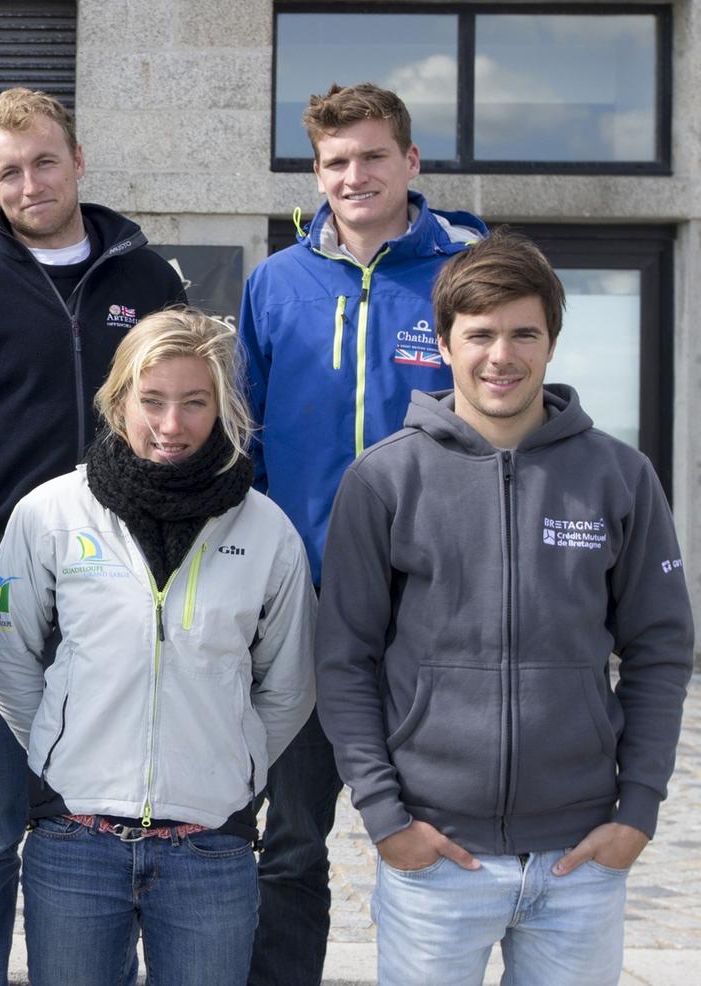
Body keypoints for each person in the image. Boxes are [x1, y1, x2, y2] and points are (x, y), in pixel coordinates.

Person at [315, 230, 693, 986]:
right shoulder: (383, 480)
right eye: (480, 334)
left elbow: (660, 647)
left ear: (552, 343)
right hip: (436, 856)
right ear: (445, 345)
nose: (501, 355)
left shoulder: (620, 475)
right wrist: (388, 820)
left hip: (580, 858)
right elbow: (344, 659)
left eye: (524, 333)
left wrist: (638, 810)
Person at [0, 86, 186, 985]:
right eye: (8, 172)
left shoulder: (152, 282)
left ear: (78, 159)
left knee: (106, 826)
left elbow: (191, 424)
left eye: (44, 161)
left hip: (123, 594)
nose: (30, 183)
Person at [235, 81, 487, 984]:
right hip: (304, 610)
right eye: (336, 161)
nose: (356, 175)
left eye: (374, 155)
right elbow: (248, 444)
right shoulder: (276, 283)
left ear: (411, 161)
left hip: (432, 613)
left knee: (442, 833)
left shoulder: (466, 267)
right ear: (316, 173)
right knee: (293, 838)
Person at [0, 308, 316, 986]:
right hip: (75, 844)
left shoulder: (268, 530)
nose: (172, 425)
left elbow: (288, 680)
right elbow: (9, 654)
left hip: (210, 849)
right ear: (118, 398)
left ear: (222, 407)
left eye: (195, 403)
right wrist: (57, 752)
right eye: (153, 400)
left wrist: (238, 770)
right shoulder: (49, 512)